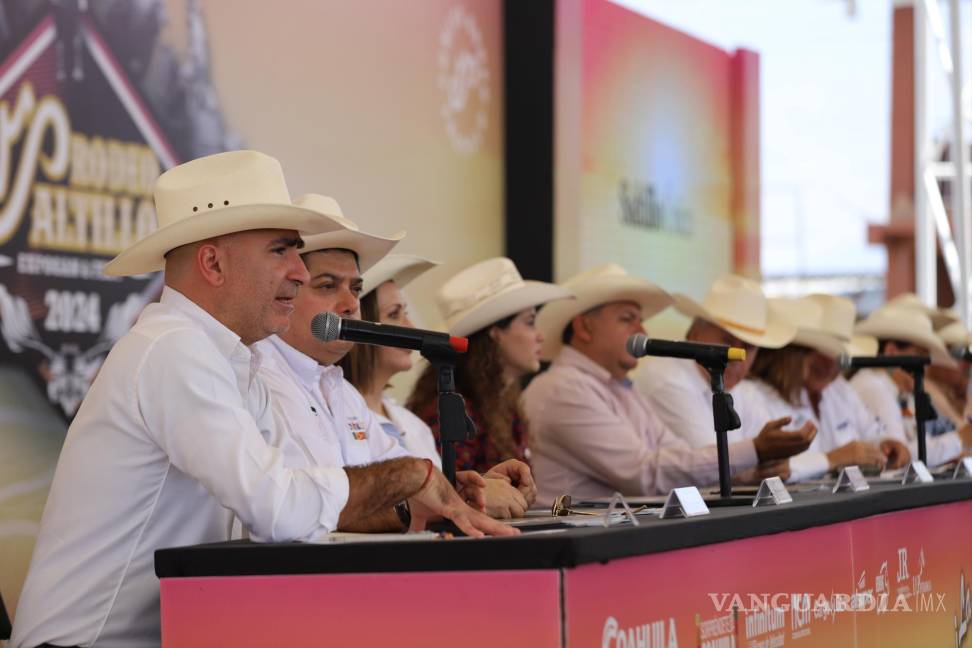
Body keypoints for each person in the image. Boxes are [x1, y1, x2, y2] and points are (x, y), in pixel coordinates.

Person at [11, 152, 513, 648]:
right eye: (281, 251)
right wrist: (410, 476)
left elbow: (295, 508)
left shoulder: (230, 359)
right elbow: (277, 508)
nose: (298, 270)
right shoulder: (173, 349)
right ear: (212, 262)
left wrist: (415, 507)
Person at [257, 203, 535, 521]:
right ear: (286, 293)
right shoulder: (259, 380)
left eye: (356, 290)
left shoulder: (340, 392)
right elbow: (306, 509)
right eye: (327, 286)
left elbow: (406, 484)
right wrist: (453, 503)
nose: (350, 304)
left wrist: (465, 493)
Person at [522, 264, 816, 504]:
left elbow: (672, 453)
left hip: (608, 541)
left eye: (640, 320)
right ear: (584, 327)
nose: (642, 330)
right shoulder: (564, 389)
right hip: (575, 551)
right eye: (628, 319)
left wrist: (745, 473)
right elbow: (645, 474)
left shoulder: (619, 388)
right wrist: (754, 451)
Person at [407, 257, 573, 476]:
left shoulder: (503, 403)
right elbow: (448, 496)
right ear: (495, 334)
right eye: (530, 322)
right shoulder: (451, 410)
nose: (540, 336)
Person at [738, 296, 909, 482]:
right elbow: (768, 470)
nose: (830, 364)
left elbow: (872, 431)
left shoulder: (839, 390)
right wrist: (834, 459)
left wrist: (886, 443)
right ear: (788, 353)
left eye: (839, 357)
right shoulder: (751, 395)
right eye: (818, 351)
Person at [633, 275, 798, 450]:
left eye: (748, 347)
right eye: (727, 341)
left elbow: (774, 456)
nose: (737, 356)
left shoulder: (743, 391)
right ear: (695, 335)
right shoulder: (666, 379)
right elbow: (712, 463)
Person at [851, 305, 972, 466]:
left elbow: (913, 448)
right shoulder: (873, 386)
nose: (925, 366)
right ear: (892, 352)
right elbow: (901, 456)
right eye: (920, 355)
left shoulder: (895, 389)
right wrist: (959, 439)